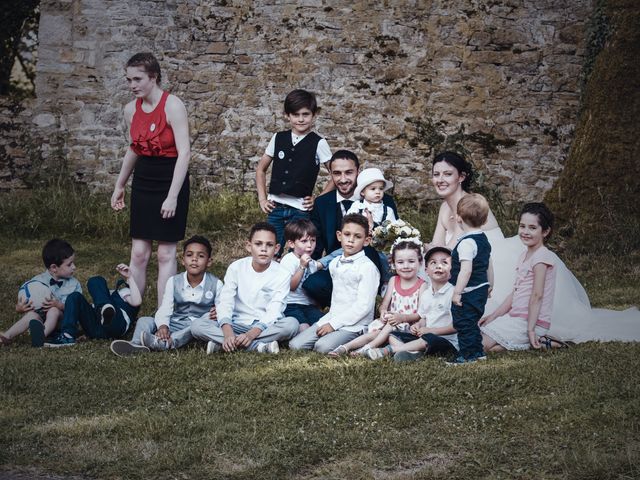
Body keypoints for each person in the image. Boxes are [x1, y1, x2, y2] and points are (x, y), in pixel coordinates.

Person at [429, 151, 640, 343]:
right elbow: (437, 246)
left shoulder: (470, 205)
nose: (440, 180)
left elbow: (452, 249)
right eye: (436, 174)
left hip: (491, 263)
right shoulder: (443, 208)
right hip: (464, 260)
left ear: (461, 177)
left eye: (447, 174)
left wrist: (430, 256)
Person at [111, 52, 191, 307]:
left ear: (153, 77)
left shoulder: (173, 105)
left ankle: (163, 315)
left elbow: (185, 152)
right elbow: (134, 148)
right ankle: (129, 311)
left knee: (166, 253)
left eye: (137, 79)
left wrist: (172, 196)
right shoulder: (129, 110)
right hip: (144, 179)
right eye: (128, 80)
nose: (132, 85)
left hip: (171, 178)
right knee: (139, 252)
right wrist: (120, 185)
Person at [303, 150, 398, 307]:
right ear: (330, 174)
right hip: (338, 263)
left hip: (370, 263)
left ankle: (367, 300)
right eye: (337, 173)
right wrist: (306, 262)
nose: (343, 179)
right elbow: (317, 242)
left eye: (349, 172)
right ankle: (347, 304)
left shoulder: (383, 200)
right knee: (312, 283)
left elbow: (393, 233)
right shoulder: (322, 203)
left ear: (358, 172)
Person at [191, 223, 299, 354]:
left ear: (276, 248)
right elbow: (226, 300)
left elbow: (275, 309)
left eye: (269, 245)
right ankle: (257, 347)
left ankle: (223, 345)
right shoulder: (236, 267)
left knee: (291, 325)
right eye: (258, 244)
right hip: (235, 322)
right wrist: (227, 332)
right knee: (197, 325)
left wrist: (251, 334)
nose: (263, 249)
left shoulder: (283, 273)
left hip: (264, 326)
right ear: (249, 246)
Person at [110, 235, 222, 356]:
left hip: (199, 325)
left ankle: (167, 343)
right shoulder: (174, 281)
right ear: (183, 260)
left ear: (209, 262)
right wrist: (163, 326)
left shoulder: (216, 284)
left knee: (199, 325)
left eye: (200, 256)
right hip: (176, 322)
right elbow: (165, 307)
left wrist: (218, 311)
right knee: (145, 320)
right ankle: (136, 343)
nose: (194, 259)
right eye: (189, 255)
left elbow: (223, 308)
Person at [289, 214, 380, 353]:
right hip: (333, 316)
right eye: (347, 234)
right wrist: (330, 321)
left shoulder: (368, 268)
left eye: (357, 236)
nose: (351, 240)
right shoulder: (335, 263)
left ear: (366, 240)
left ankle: (360, 338)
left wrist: (333, 325)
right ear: (339, 235)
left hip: (355, 324)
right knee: (296, 345)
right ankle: (331, 335)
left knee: (321, 347)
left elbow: (364, 306)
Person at [255, 89, 333, 252]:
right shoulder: (278, 138)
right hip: (275, 208)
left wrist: (319, 198)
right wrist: (262, 199)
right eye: (296, 115)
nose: (301, 119)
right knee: (270, 252)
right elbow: (261, 169)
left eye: (305, 114)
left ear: (314, 115)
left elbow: (336, 175)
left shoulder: (319, 143)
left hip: (300, 210)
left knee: (298, 254)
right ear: (287, 115)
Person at [480, 203, 563, 351]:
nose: (525, 231)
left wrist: (530, 329)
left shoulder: (542, 257)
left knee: (481, 345)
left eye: (532, 228)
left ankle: (538, 338)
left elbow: (537, 295)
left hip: (531, 321)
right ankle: (538, 342)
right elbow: (516, 292)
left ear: (545, 231)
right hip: (516, 317)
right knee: (487, 340)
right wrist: (493, 316)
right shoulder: (524, 256)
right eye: (522, 226)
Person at [327, 238, 426, 357]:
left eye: (411, 261)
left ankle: (365, 349)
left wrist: (402, 317)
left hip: (409, 327)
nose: (406, 266)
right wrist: (383, 312)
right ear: (393, 264)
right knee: (375, 333)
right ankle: (344, 347)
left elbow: (421, 314)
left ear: (420, 263)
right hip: (392, 322)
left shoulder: (422, 285)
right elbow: (384, 304)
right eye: (400, 262)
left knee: (390, 326)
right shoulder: (394, 280)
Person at [366, 246, 459, 361]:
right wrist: (418, 325)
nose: (438, 266)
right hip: (425, 336)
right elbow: (424, 317)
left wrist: (430, 331)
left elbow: (457, 326)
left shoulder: (454, 293)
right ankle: (414, 353)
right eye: (433, 263)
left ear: (453, 269)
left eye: (444, 262)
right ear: (426, 270)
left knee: (428, 339)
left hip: (447, 341)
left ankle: (389, 350)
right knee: (393, 336)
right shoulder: (427, 294)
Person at [1, 239, 81, 348]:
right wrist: (19, 308)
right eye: (69, 264)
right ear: (54, 268)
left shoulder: (74, 284)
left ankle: (41, 336)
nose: (74, 267)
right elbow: (27, 299)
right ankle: (6, 336)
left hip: (63, 322)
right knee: (31, 315)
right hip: (42, 320)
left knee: (53, 310)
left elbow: (77, 309)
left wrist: (59, 305)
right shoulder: (37, 282)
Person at [44, 264, 142, 347]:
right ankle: (67, 336)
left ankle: (105, 309)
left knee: (96, 280)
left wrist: (130, 277)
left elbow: (137, 301)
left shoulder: (125, 292)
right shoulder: (105, 295)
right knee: (74, 297)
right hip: (96, 329)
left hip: (116, 324)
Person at [446, 193, 492, 365]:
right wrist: (490, 283)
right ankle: (477, 352)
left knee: (464, 323)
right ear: (485, 220)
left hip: (468, 291)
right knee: (472, 322)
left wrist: (457, 292)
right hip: (480, 287)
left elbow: (466, 270)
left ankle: (467, 355)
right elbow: (488, 264)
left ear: (458, 218)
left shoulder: (466, 243)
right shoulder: (483, 239)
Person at [279, 219, 324, 333]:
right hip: (291, 305)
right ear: (291, 243)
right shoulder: (289, 260)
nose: (310, 246)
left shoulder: (312, 262)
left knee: (322, 326)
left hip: (308, 306)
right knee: (305, 330)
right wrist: (302, 266)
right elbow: (291, 286)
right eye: (304, 241)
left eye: (313, 241)